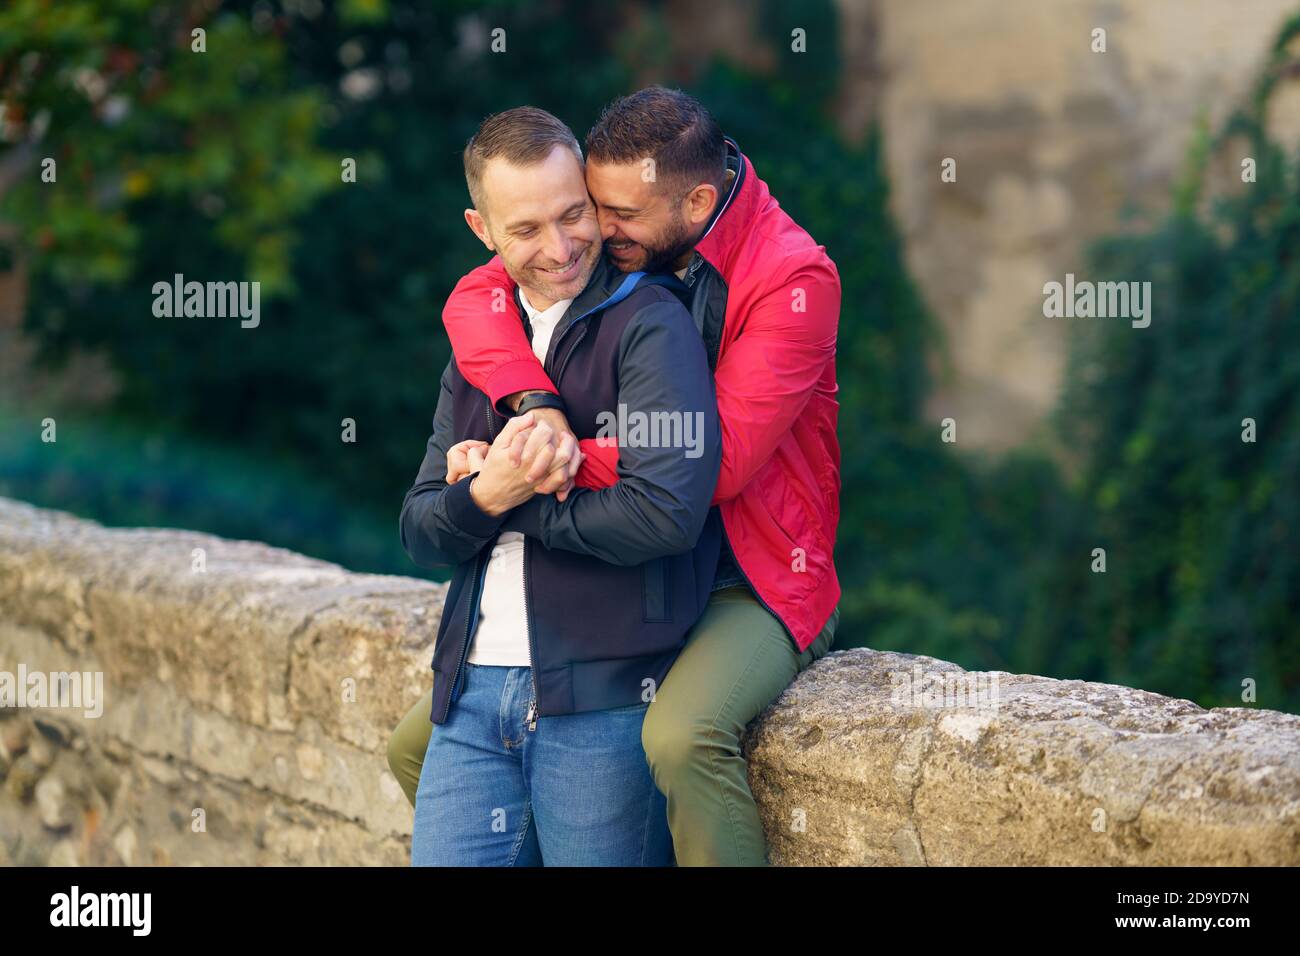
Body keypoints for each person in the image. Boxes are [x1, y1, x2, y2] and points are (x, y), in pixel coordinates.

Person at [391, 86, 842, 866]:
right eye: (585, 206)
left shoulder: (793, 278)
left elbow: (711, 465)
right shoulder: (607, 262)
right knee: (413, 744)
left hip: (753, 569)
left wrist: (530, 464)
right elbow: (474, 294)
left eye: (614, 216)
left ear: (697, 202)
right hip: (655, 560)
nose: (592, 234)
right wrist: (536, 409)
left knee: (680, 737)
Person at [399, 105, 721, 866]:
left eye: (573, 214)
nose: (560, 247)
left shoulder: (649, 323)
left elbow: (665, 513)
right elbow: (418, 526)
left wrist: (515, 497)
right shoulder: (481, 341)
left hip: (606, 699)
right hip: (470, 697)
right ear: (481, 230)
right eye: (525, 230)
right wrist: (486, 495)